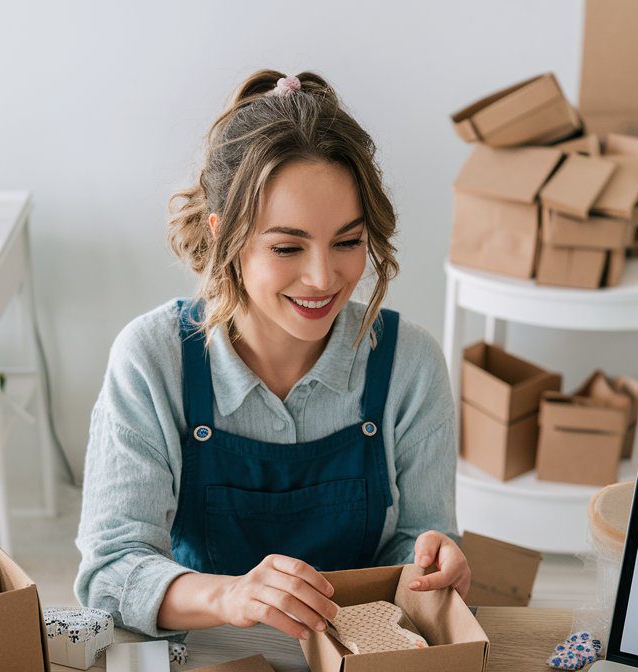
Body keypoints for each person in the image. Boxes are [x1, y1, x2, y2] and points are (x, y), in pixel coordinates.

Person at [76, 70, 470, 642]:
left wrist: (434, 562)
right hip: (208, 662)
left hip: (360, 663)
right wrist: (230, 594)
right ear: (223, 236)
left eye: (348, 242)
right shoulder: (153, 358)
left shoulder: (410, 363)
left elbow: (419, 544)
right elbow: (110, 574)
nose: (322, 278)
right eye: (287, 246)